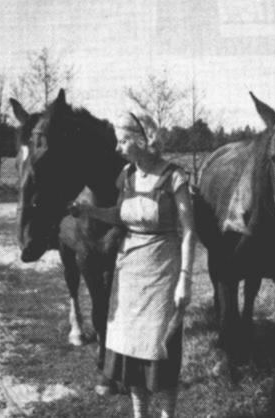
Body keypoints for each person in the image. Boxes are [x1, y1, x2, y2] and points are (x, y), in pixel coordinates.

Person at [71, 114, 195, 418]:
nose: (118, 147)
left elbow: (190, 230)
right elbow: (122, 215)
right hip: (129, 272)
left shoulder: (173, 177)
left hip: (163, 269)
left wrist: (185, 279)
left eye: (123, 140)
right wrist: (90, 211)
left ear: (141, 140)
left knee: (159, 350)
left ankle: (168, 415)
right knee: (131, 351)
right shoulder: (126, 176)